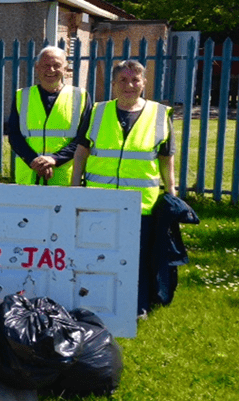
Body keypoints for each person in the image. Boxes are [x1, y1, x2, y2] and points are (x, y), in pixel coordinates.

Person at [71, 59, 176, 315]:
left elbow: (166, 159)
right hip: (99, 202)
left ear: (144, 82)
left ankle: (136, 305)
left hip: (141, 204)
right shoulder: (97, 111)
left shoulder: (160, 114)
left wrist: (172, 194)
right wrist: (74, 187)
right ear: (114, 84)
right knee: (97, 256)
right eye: (123, 81)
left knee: (137, 259)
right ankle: (94, 303)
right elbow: (81, 152)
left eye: (135, 80)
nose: (129, 85)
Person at [7, 46, 91, 186]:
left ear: (65, 68)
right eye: (46, 65)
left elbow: (84, 138)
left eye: (56, 65)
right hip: (29, 175)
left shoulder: (80, 96)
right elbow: (14, 134)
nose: (51, 70)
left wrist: (55, 159)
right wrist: (33, 160)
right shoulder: (22, 95)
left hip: (65, 175)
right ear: (37, 67)